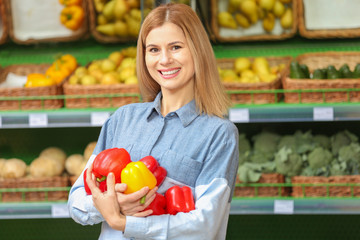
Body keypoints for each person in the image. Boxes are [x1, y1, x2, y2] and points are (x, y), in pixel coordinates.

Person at [68, 3, 239, 240]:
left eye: (176, 47)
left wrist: (122, 221)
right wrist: (108, 204)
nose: (165, 60)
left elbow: (205, 225)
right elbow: (77, 200)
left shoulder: (219, 134)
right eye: (154, 50)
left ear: (197, 50)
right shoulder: (122, 119)